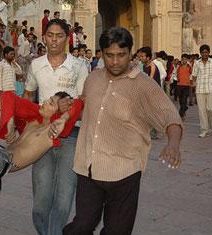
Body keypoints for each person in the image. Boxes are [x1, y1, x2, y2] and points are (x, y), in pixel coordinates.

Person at [63, 27, 183, 235]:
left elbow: (170, 117)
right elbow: (86, 107)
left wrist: (173, 144)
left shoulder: (143, 85)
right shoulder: (93, 78)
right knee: (81, 227)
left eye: (121, 55)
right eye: (110, 55)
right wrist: (68, 111)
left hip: (124, 172)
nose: (115, 61)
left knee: (117, 231)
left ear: (130, 53)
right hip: (88, 168)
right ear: (102, 53)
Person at [23, 19, 88, 235]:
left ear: (67, 38)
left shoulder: (78, 66)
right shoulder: (36, 65)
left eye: (59, 35)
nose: (54, 40)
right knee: (41, 200)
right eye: (50, 35)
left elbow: (84, 100)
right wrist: (21, 123)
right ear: (44, 37)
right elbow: (29, 95)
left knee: (64, 197)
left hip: (71, 135)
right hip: (42, 136)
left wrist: (65, 113)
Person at [192, 44, 212, 137]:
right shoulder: (197, 63)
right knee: (202, 111)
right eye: (203, 52)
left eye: (206, 52)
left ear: (208, 53)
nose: (204, 54)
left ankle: (211, 125)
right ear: (200, 53)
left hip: (211, 89)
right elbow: (194, 75)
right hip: (200, 89)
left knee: (211, 109)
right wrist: (193, 84)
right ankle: (204, 130)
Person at [176, 54, 192, 119]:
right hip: (179, 85)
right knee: (180, 100)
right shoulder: (179, 67)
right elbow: (177, 74)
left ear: (187, 60)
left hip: (186, 85)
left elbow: (192, 74)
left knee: (184, 100)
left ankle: (181, 114)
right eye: (183, 59)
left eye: (185, 59)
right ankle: (185, 108)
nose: (184, 60)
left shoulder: (189, 67)